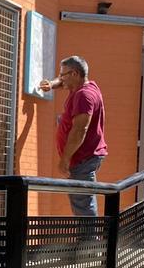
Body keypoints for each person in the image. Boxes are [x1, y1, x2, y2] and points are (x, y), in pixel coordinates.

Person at [40, 55, 108, 216]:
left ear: (75, 74)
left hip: (82, 158)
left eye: (63, 74)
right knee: (80, 200)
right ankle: (89, 239)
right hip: (84, 157)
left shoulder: (84, 96)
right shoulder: (84, 87)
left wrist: (64, 159)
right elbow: (61, 82)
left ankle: (90, 241)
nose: (61, 78)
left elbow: (79, 131)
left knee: (82, 202)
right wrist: (51, 84)